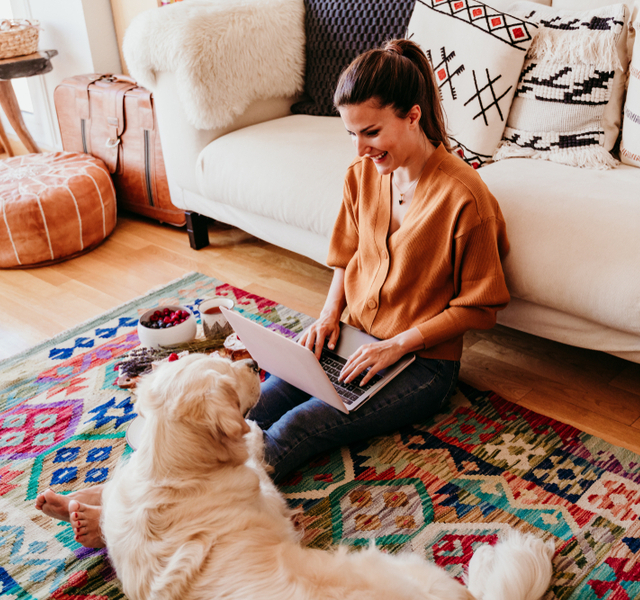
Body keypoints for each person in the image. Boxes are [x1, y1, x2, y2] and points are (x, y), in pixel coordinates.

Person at [35, 38, 510, 546]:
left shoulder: (465, 197)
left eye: (371, 132)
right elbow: (348, 257)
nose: (360, 149)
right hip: (350, 344)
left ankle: (151, 525)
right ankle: (123, 493)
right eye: (351, 133)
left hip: (421, 365)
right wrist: (329, 316)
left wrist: (398, 343)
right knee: (248, 413)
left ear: (413, 116)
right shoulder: (363, 175)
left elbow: (479, 307)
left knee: (294, 430)